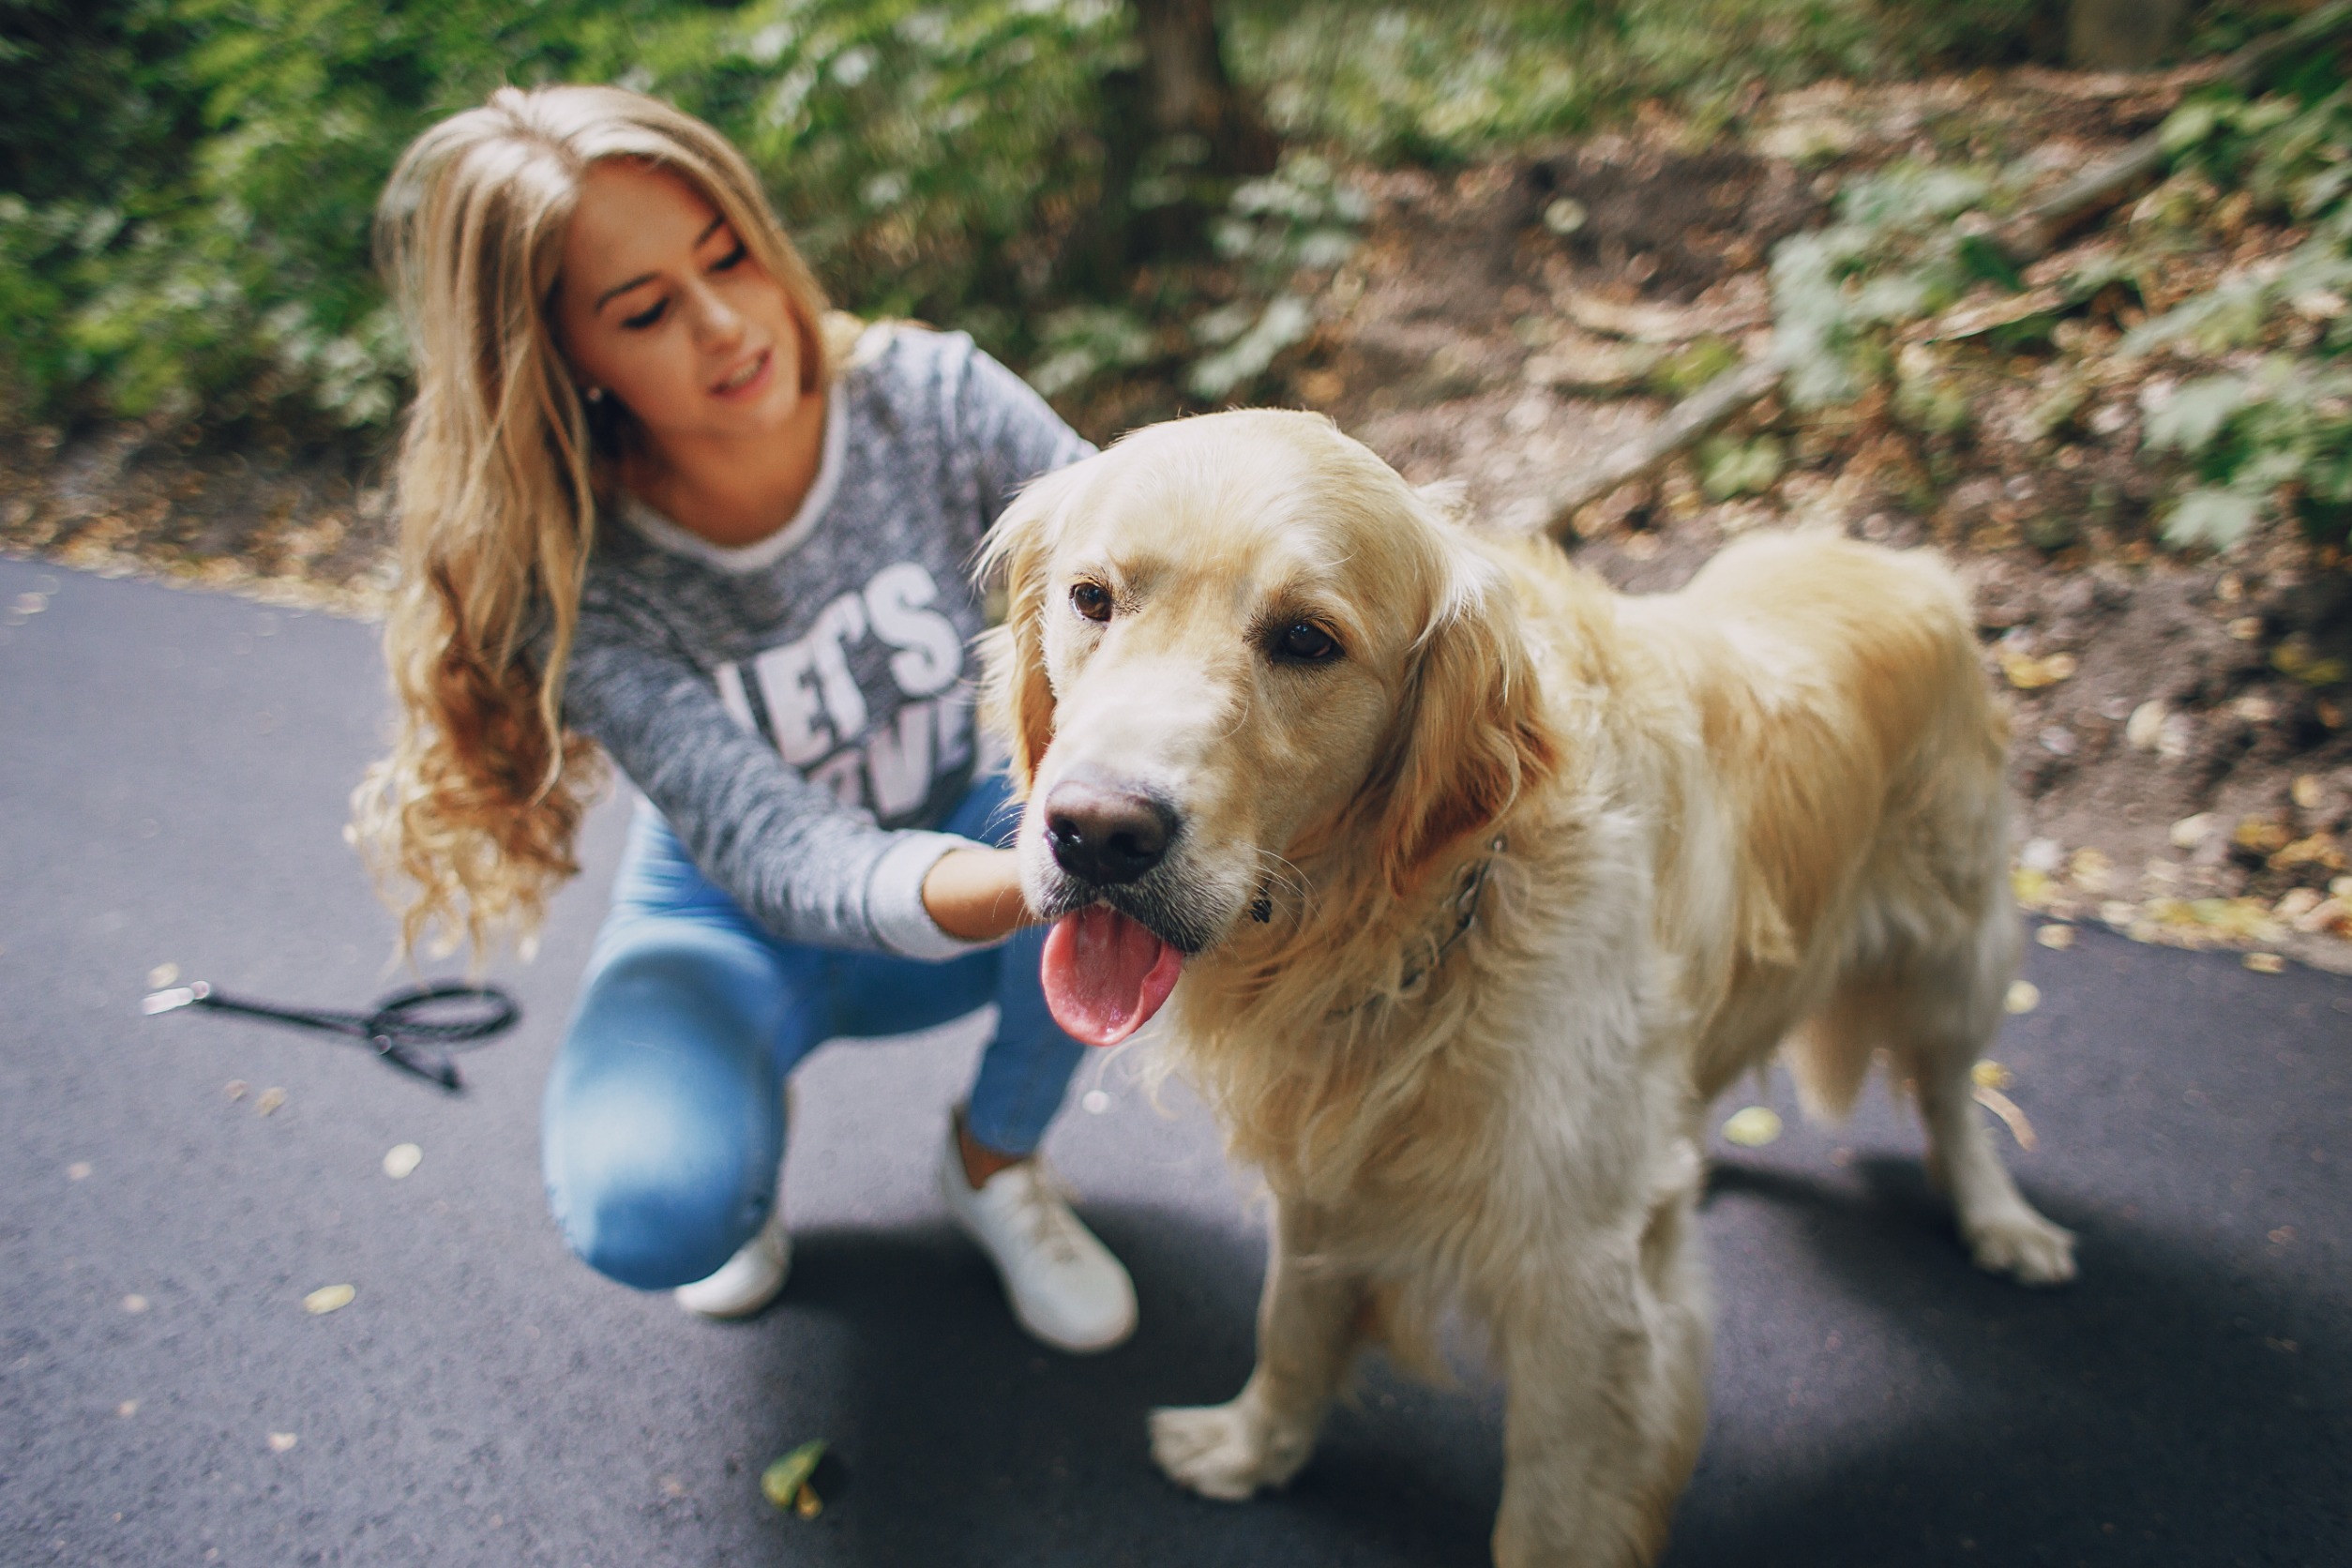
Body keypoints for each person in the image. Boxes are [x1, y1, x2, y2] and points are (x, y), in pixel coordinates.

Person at [353, 83, 1136, 1351]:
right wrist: (1039, 875)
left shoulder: (933, 397)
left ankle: (994, 1167)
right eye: (646, 310)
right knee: (657, 1209)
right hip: (732, 911)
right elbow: (776, 850)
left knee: (1118, 842)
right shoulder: (575, 569)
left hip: (969, 814)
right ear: (559, 357)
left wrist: (1092, 839)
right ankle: (735, 1174)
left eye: (728, 257)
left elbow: (1141, 586)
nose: (727, 324)